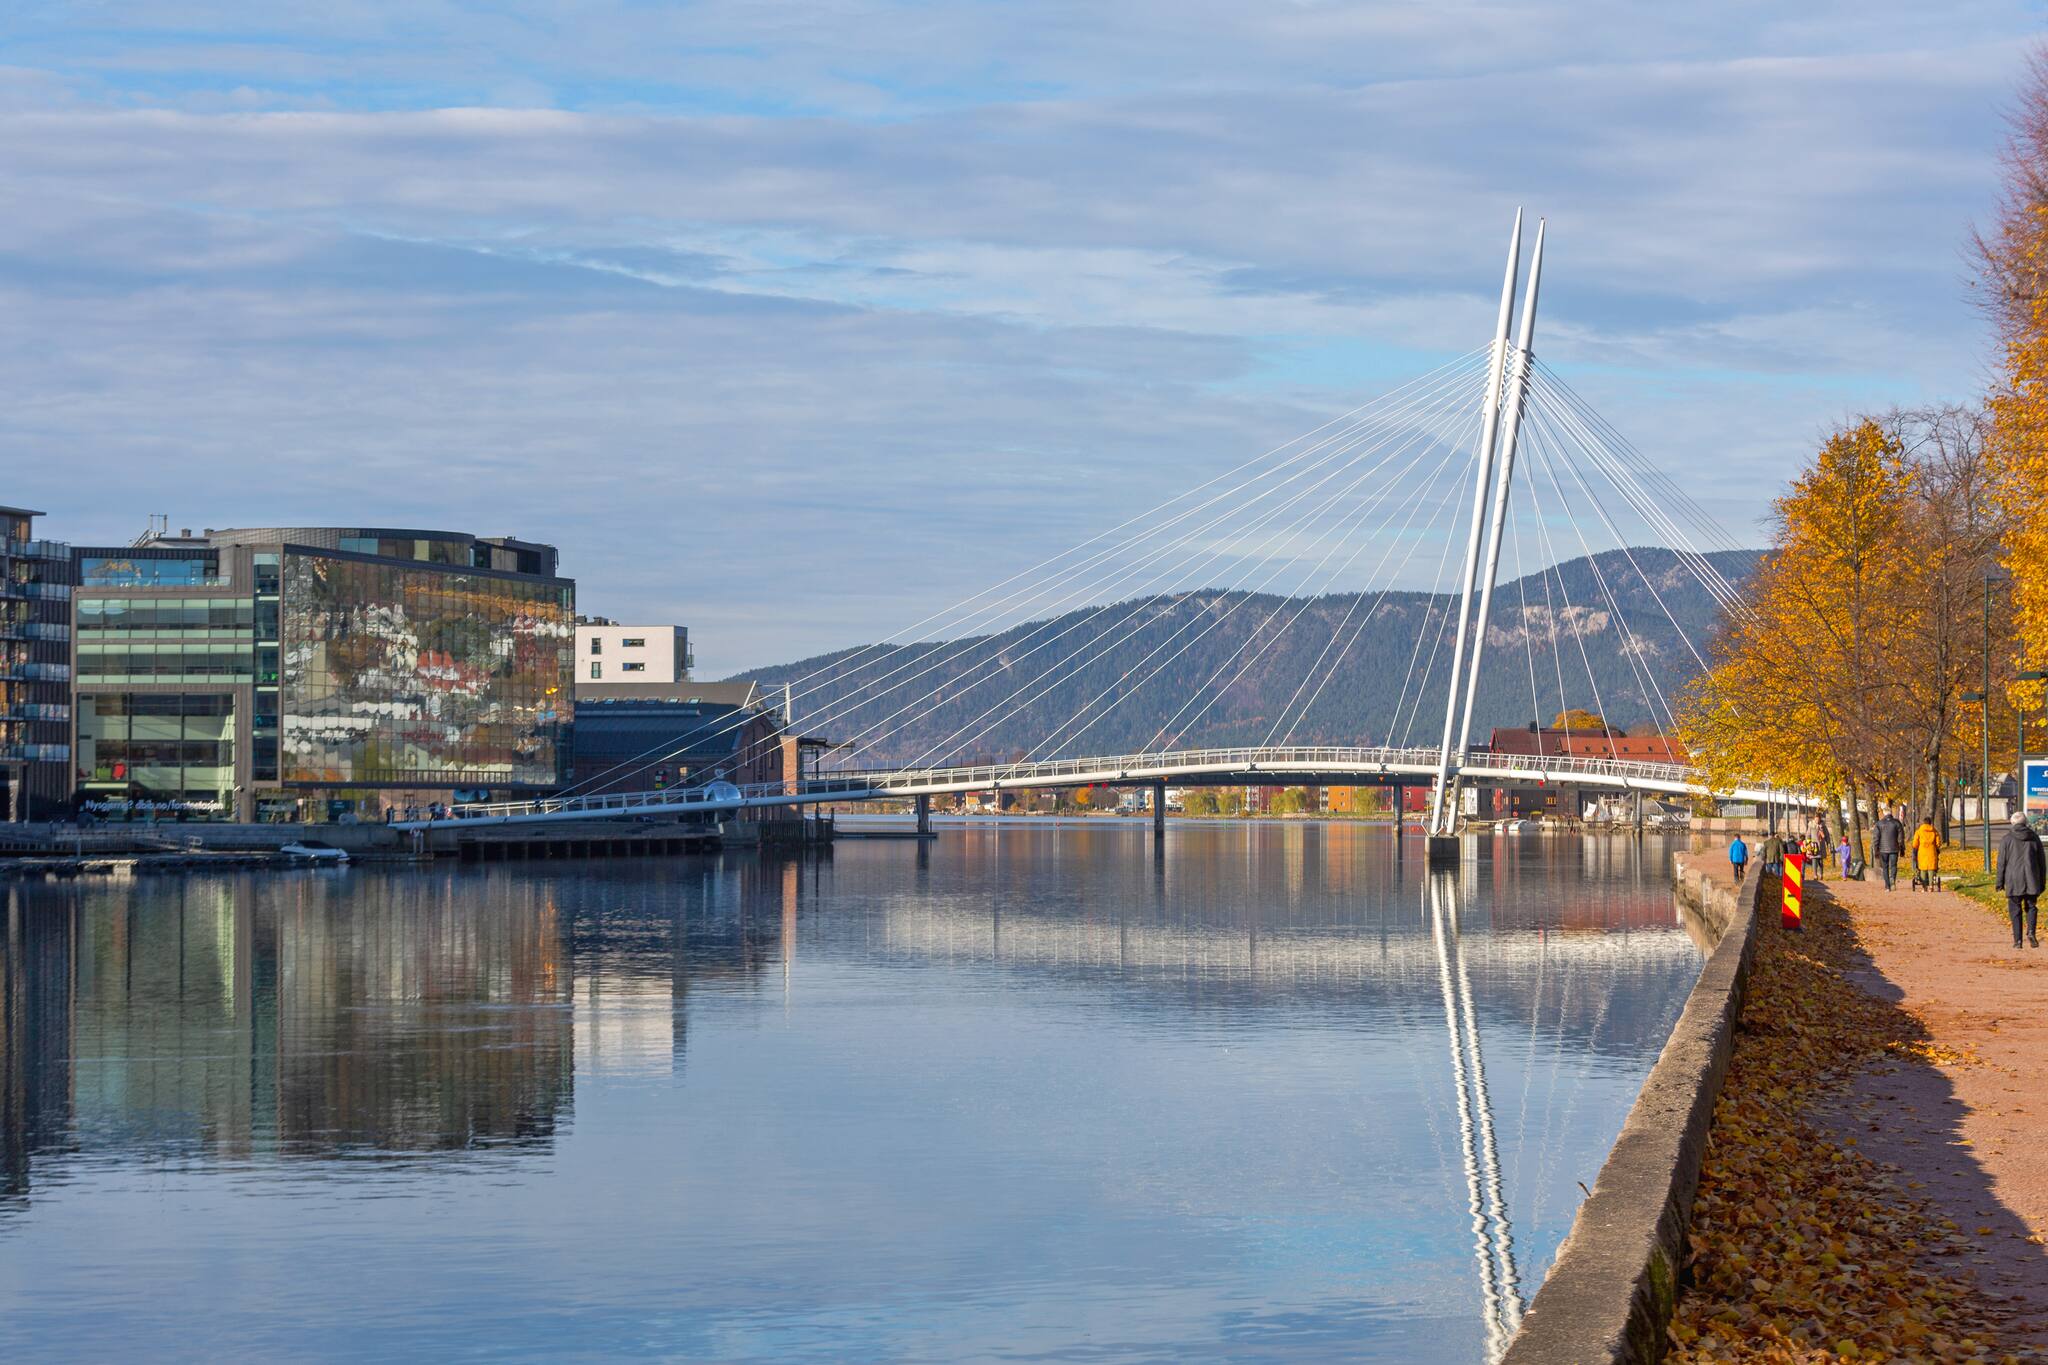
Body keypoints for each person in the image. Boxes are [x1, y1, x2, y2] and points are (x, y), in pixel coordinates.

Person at [1996, 810, 2044, 948]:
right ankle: (2031, 932)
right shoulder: (2034, 837)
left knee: (2015, 909)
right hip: (2032, 878)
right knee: (2031, 906)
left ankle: (2017, 941)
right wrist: (2042, 882)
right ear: (2025, 823)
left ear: (2012, 823)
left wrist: (1999, 882)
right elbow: (2041, 861)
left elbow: (2001, 862)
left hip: (2013, 879)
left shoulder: (2007, 839)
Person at [1873, 807, 1906, 891]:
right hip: (1894, 848)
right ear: (1890, 813)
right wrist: (1902, 848)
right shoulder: (1897, 823)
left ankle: (1887, 886)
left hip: (1883, 849)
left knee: (1885, 867)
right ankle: (1892, 881)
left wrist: (1876, 849)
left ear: (1884, 813)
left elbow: (1876, 838)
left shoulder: (1879, 824)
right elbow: (1901, 837)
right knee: (1893, 866)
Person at [1909, 815, 1941, 892]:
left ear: (1923, 823)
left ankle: (1924, 887)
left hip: (1922, 852)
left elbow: (1915, 844)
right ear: (1930, 823)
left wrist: (1915, 848)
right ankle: (1931, 886)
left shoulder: (1919, 831)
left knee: (1922, 869)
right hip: (1932, 852)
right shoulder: (1934, 831)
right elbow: (1938, 843)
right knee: (1931, 869)